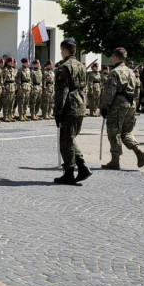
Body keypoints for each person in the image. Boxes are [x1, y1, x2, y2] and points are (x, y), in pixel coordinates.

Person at [52, 38, 90, 185]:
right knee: (71, 138)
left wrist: (58, 111)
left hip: (69, 105)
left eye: (61, 50)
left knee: (66, 140)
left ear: (66, 50)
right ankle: (81, 167)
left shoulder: (64, 67)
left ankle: (69, 172)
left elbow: (62, 91)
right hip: (80, 104)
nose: (61, 53)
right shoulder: (81, 66)